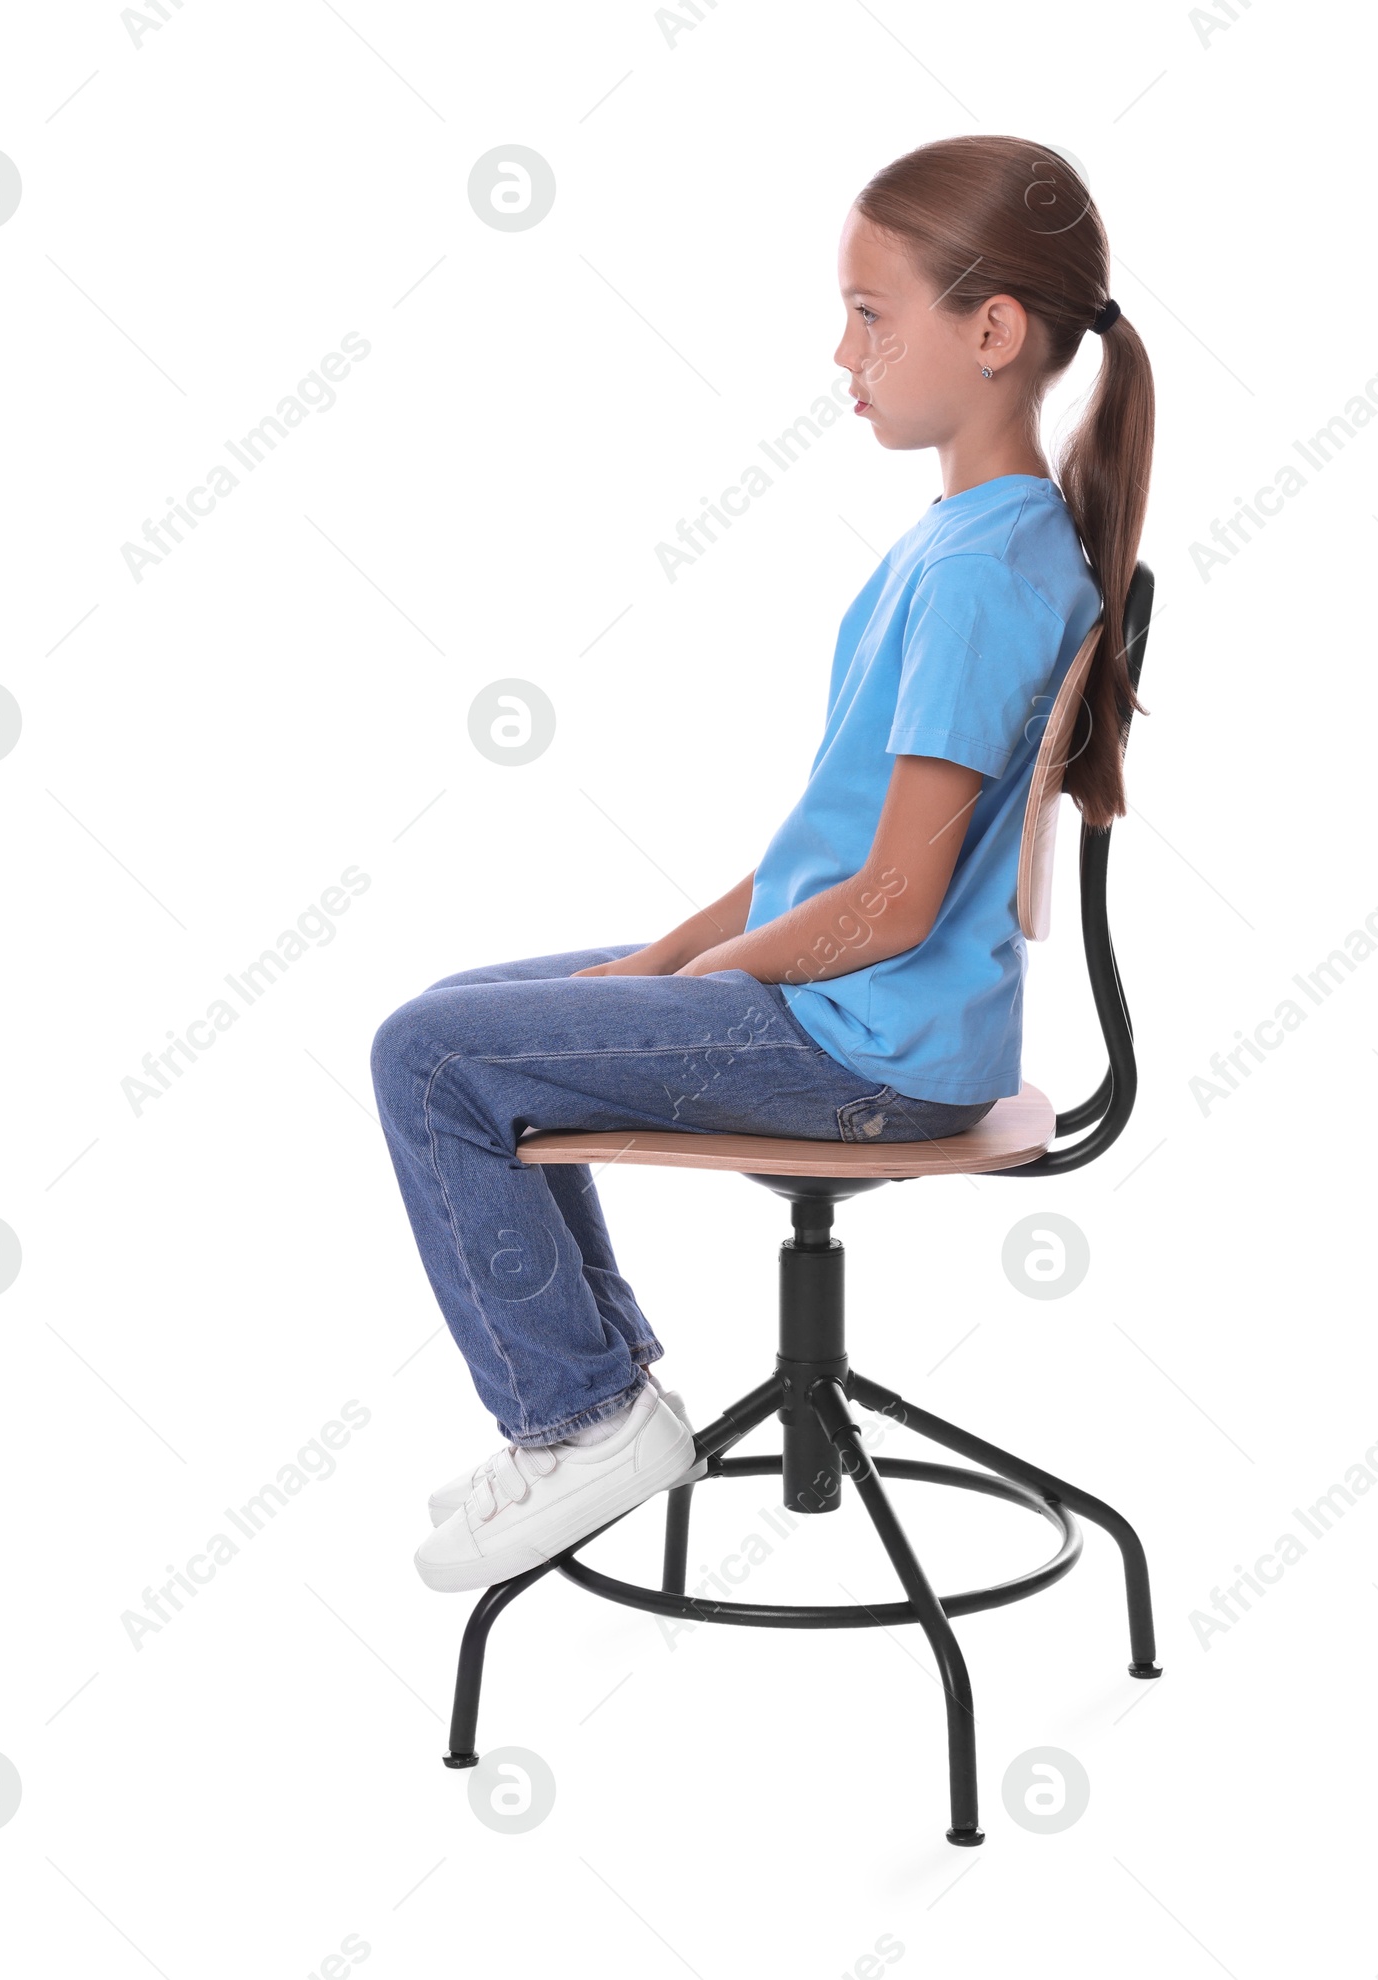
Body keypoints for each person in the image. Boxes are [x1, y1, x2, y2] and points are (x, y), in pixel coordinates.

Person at [371, 134, 1155, 1594]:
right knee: (467, 1011)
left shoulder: (985, 573)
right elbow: (834, 862)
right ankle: (598, 1401)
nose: (842, 351)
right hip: (855, 1014)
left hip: (869, 1050)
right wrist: (663, 967)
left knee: (431, 1058)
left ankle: (584, 1419)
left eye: (873, 314)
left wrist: (705, 990)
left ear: (992, 334)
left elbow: (891, 904)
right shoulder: (971, 542)